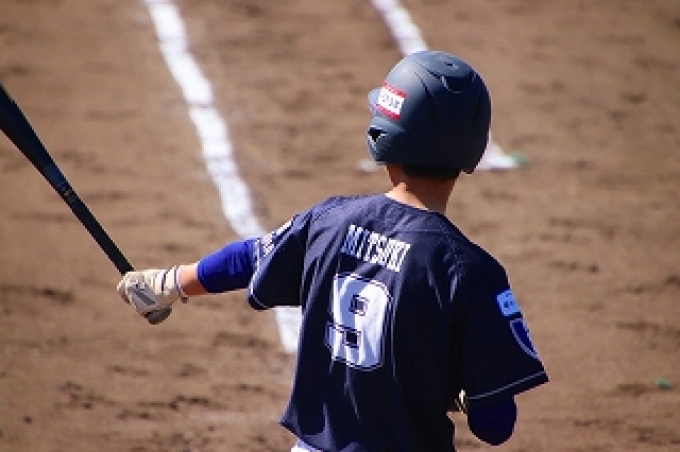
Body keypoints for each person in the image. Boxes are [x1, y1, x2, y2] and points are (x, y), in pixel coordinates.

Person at [117, 50, 548, 451]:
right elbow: (496, 426)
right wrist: (469, 394)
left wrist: (169, 283)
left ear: (384, 136)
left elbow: (249, 258)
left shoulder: (329, 220)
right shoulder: (470, 271)